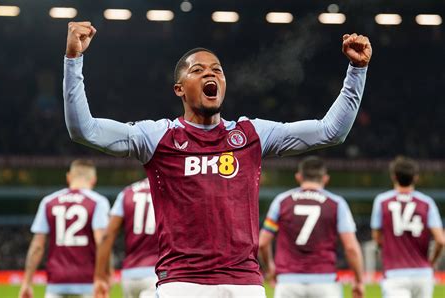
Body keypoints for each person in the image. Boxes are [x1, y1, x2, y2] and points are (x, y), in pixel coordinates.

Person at [63, 21, 372, 297]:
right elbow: (84, 130)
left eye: (217, 69)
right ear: (179, 89)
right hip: (183, 283)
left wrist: (357, 72)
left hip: (244, 284)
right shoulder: (157, 137)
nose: (210, 72)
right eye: (197, 70)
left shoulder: (251, 134)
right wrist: (73, 60)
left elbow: (330, 132)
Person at [259, 156, 364, 298]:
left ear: (299, 177)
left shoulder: (281, 201)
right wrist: (358, 281)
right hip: (325, 282)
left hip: (288, 283)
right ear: (325, 178)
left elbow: (263, 243)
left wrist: (270, 268)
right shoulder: (336, 203)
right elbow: (351, 248)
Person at [19, 159, 110, 298]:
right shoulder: (98, 202)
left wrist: (26, 283)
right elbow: (101, 242)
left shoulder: (48, 202)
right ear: (94, 180)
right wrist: (104, 276)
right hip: (87, 281)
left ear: (68, 177)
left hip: (56, 282)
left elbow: (37, 246)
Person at [371, 156, 444, 298]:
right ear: (415, 178)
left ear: (394, 177)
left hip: (395, 273)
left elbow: (377, 238)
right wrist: (432, 262)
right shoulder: (427, 203)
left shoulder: (382, 201)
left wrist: (388, 251)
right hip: (422, 274)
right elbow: (440, 240)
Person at [94, 178, 158, 298]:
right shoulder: (169, 187)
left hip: (129, 275)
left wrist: (100, 276)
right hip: (158, 272)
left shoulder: (127, 192)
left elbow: (107, 235)